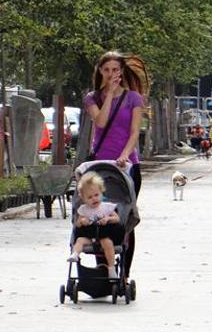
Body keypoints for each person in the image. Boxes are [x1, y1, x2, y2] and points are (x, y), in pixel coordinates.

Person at [83, 50, 149, 279]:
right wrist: (109, 94)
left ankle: (124, 272)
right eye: (107, 70)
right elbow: (100, 121)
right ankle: (104, 267)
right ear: (100, 71)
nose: (111, 74)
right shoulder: (93, 98)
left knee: (124, 217)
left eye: (115, 70)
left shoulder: (133, 99)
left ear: (121, 72)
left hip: (127, 166)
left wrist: (125, 155)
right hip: (101, 166)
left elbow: (134, 132)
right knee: (98, 215)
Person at [67, 172, 124, 280]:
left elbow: (117, 218)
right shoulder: (83, 209)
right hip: (90, 236)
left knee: (108, 243)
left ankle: (111, 269)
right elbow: (78, 223)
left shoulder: (107, 207)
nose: (94, 199)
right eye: (89, 197)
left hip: (104, 235)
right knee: (79, 240)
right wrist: (83, 221)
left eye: (96, 195)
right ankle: (75, 254)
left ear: (101, 193)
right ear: (83, 199)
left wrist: (107, 219)